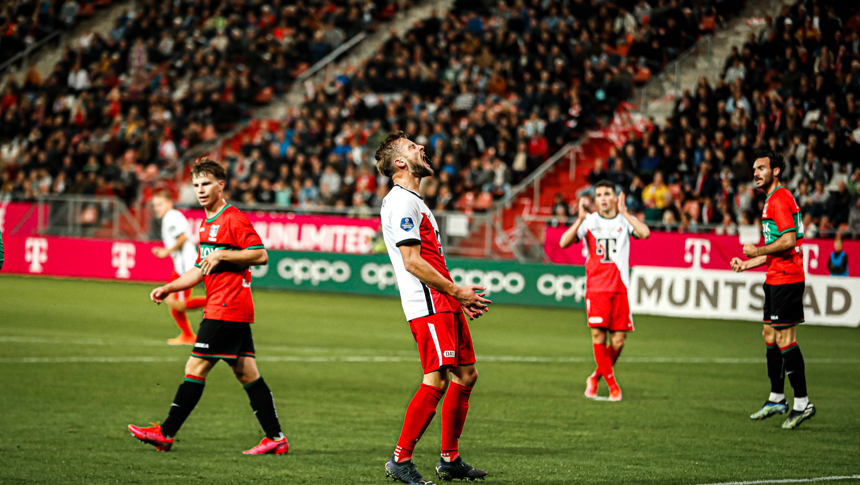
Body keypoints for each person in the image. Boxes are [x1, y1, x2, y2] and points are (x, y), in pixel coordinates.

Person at [129, 159, 289, 454]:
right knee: (247, 374)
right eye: (196, 185)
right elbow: (200, 268)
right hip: (227, 308)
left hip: (226, 307)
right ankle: (276, 438)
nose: (201, 190)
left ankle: (165, 433)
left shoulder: (233, 219)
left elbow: (260, 255)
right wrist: (169, 287)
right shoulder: (206, 224)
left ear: (220, 185)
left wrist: (223, 257)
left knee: (195, 367)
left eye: (206, 184)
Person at [376, 131, 491, 484]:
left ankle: (450, 459)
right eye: (412, 147)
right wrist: (457, 292)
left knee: (466, 375)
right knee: (437, 379)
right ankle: (400, 459)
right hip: (428, 303)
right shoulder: (401, 202)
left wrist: (455, 297)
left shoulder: (416, 200)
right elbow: (411, 261)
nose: (420, 148)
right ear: (399, 163)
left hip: (444, 300)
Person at [731, 150, 816, 430]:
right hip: (775, 276)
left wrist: (758, 249)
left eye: (762, 168)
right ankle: (777, 397)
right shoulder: (772, 200)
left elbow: (789, 241)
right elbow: (776, 248)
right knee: (769, 334)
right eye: (754, 169)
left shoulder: (779, 199)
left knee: (785, 338)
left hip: (787, 278)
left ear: (776, 171)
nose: (755, 173)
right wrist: (748, 263)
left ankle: (802, 402)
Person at [558, 180, 650, 401]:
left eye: (607, 193)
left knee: (618, 341)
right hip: (597, 288)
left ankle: (595, 377)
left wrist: (626, 213)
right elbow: (563, 242)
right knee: (599, 336)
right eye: (599, 195)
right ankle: (612, 386)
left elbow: (644, 233)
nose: (603, 198)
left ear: (615, 197)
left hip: (620, 289)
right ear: (595, 199)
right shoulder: (589, 221)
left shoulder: (624, 221)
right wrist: (579, 219)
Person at [150, 190, 207, 345]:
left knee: (179, 304)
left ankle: (217, 301)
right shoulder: (171, 217)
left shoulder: (171, 217)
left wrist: (165, 252)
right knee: (170, 300)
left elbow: (183, 237)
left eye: (160, 204)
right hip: (180, 266)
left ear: (170, 203)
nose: (157, 208)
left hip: (185, 267)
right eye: (155, 205)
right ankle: (188, 335)